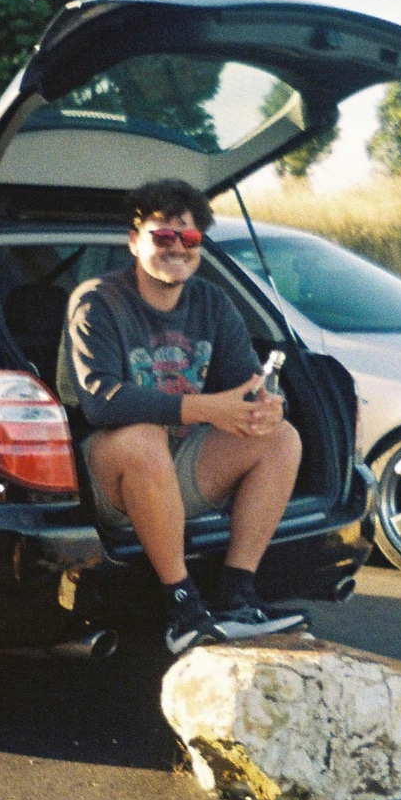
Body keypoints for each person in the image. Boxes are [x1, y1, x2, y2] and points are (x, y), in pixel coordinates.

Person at [59, 179, 307, 652]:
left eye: (189, 239)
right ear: (134, 241)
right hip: (110, 474)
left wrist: (266, 406)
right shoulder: (97, 301)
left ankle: (236, 596)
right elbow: (101, 400)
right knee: (143, 437)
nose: (177, 248)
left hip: (181, 464)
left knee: (283, 438)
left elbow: (248, 381)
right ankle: (182, 606)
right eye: (162, 237)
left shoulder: (212, 302)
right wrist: (204, 408)